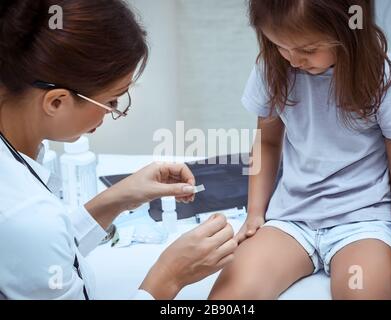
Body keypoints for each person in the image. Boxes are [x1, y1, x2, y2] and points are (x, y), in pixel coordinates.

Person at [0, 0, 237, 300]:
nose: (112, 113)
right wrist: (168, 277)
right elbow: (37, 238)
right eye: (112, 102)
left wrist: (116, 199)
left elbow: (39, 257)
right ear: (56, 101)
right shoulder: (27, 216)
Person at [209, 0, 391, 300]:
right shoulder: (273, 69)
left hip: (362, 222)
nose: (293, 60)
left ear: (348, 29)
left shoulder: (386, 79)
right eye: (279, 45)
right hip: (291, 219)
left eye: (306, 50)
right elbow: (267, 143)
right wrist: (255, 213)